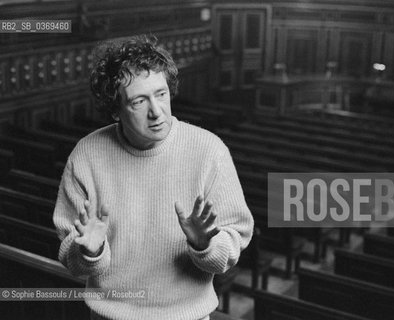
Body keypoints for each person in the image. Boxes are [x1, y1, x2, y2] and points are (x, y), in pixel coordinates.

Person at [53, 35, 254, 320]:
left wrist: (205, 245)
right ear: (115, 110)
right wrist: (91, 252)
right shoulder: (86, 156)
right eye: (138, 101)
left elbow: (233, 245)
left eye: (161, 94)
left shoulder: (209, 151)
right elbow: (73, 260)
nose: (156, 112)